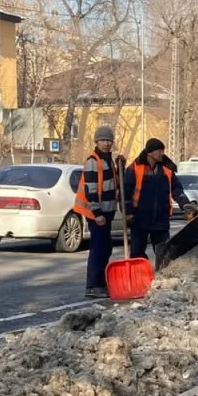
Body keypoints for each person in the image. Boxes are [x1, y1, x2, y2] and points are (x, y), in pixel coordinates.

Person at [123, 138, 195, 269]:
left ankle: (162, 277)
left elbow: (176, 189)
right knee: (137, 253)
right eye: (159, 150)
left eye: (163, 150)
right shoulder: (135, 168)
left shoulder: (167, 169)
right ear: (150, 152)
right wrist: (128, 213)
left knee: (163, 253)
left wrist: (184, 203)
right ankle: (139, 277)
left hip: (161, 218)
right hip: (140, 218)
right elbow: (126, 193)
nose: (162, 153)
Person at [72, 126, 121, 299]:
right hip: (97, 213)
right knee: (99, 249)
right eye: (103, 140)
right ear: (97, 142)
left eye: (109, 140)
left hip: (107, 212)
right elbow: (91, 189)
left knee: (105, 248)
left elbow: (113, 184)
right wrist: (97, 212)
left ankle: (101, 283)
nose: (106, 143)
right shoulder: (93, 161)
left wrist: (120, 166)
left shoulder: (109, 160)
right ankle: (93, 286)